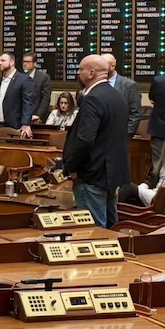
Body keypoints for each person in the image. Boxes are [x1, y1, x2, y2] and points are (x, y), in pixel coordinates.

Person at [62, 54, 130, 228]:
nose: (78, 72)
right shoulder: (117, 96)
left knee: (94, 230)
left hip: (92, 174)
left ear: (91, 73)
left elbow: (84, 139)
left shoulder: (93, 99)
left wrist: (71, 167)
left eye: (81, 69)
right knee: (111, 227)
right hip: (112, 172)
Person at [118, 124, 165, 208]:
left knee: (127, 187)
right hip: (153, 193)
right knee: (127, 192)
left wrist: (140, 190)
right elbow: (152, 179)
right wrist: (142, 187)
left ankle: (113, 218)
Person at [0, 52, 35, 139]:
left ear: (12, 62)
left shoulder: (24, 80)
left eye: (3, 60)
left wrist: (25, 124)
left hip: (15, 126)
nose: (0, 63)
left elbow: (28, 104)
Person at [102, 53, 143, 138]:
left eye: (103, 66)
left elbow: (135, 113)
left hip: (120, 135)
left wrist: (127, 133)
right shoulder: (96, 83)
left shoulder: (129, 85)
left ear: (112, 66)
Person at [22, 52, 53, 123]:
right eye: (24, 61)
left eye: (28, 62)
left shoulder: (43, 78)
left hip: (37, 115)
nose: (25, 64)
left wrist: (38, 115)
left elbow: (45, 99)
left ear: (34, 63)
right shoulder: (20, 77)